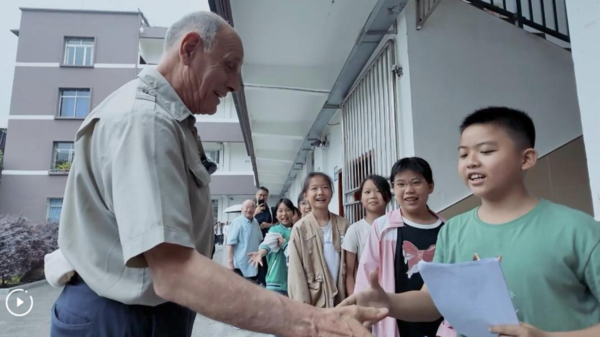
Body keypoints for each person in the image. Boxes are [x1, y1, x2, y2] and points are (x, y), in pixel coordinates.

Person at [51, 11, 387, 337]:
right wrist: (315, 324)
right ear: (189, 49)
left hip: (144, 314)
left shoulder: (168, 121)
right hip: (120, 319)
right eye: (228, 66)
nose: (235, 85)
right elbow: (174, 271)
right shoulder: (146, 122)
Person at [342, 107, 600, 337]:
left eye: (486, 151)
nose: (471, 161)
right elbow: (433, 302)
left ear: (526, 159)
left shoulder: (579, 231)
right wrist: (387, 301)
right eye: (464, 154)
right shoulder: (453, 231)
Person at [353, 159, 451, 337]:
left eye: (416, 182)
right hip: (393, 323)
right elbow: (366, 276)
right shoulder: (382, 227)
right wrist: (362, 317)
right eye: (401, 184)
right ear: (393, 188)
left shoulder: (447, 229)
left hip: (438, 325)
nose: (409, 190)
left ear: (430, 186)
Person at [288, 172, 350, 308]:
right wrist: (302, 308)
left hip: (342, 300)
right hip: (315, 303)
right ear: (306, 195)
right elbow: (296, 272)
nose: (320, 192)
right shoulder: (300, 228)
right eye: (314, 188)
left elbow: (351, 267)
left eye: (325, 187)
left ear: (332, 193)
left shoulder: (344, 225)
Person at [342, 175, 391, 296]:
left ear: (388, 197)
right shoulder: (354, 230)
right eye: (367, 192)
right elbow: (349, 273)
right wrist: (355, 301)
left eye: (378, 191)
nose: (372, 196)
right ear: (361, 199)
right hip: (366, 295)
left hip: (393, 292)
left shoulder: (395, 225)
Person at [248, 198, 296, 295]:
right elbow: (268, 243)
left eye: (287, 210)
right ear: (276, 215)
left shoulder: (297, 230)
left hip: (294, 283)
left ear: (293, 212)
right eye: (280, 211)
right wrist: (260, 253)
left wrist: (285, 245)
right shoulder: (275, 230)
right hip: (276, 282)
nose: (284, 214)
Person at [227, 200, 263, 282]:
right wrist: (230, 263)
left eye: (252, 207)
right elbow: (230, 244)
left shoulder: (255, 222)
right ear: (242, 209)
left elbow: (260, 240)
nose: (249, 210)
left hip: (254, 263)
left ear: (255, 209)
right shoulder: (237, 222)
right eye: (247, 207)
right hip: (240, 264)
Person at [255, 186, 275, 285]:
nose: (262, 197)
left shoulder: (271, 210)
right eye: (260, 195)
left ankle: (265, 282)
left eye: (264, 195)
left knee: (266, 264)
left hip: (267, 242)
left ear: (267, 197)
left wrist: (269, 225)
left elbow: (278, 223)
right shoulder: (251, 209)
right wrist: (255, 213)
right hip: (254, 242)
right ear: (256, 195)